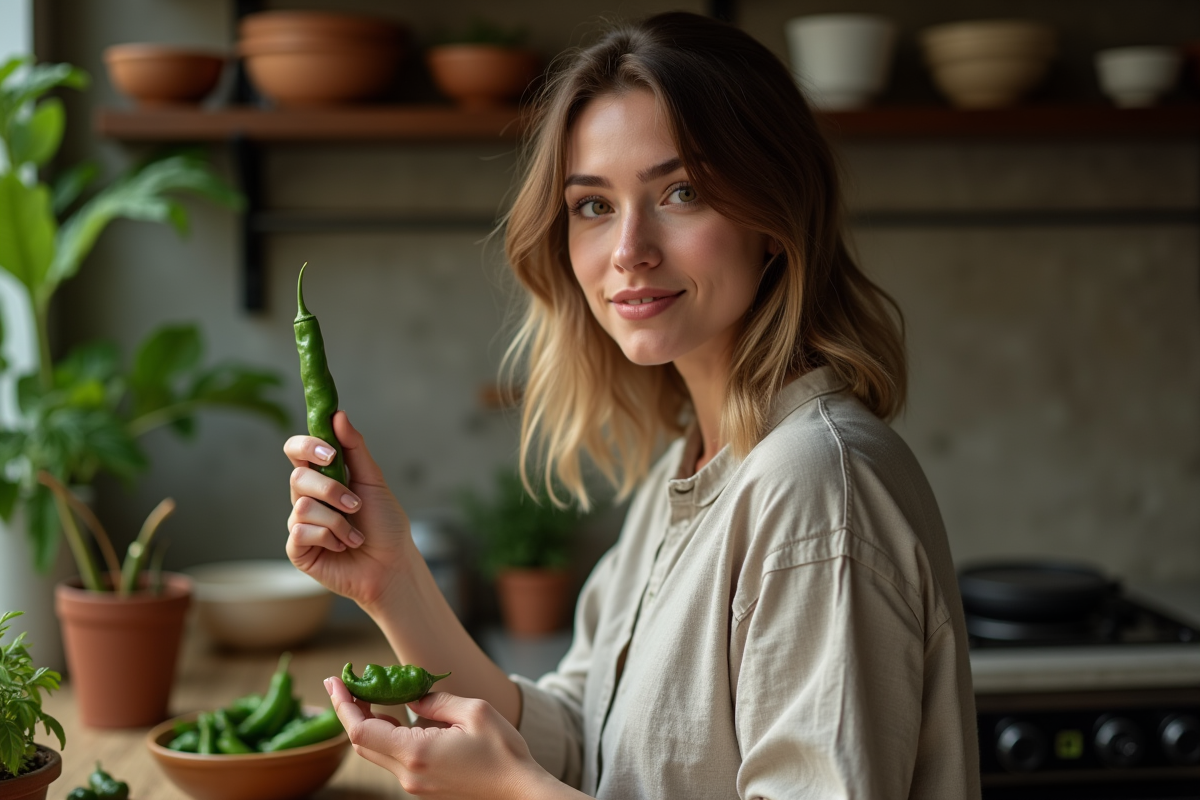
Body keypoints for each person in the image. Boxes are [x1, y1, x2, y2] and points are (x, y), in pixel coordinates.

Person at [284, 11, 980, 800]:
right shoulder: (692, 470)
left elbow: (540, 778)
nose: (627, 251)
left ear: (775, 216)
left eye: (681, 192)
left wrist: (511, 792)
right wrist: (391, 580)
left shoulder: (815, 486)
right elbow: (583, 742)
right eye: (593, 205)